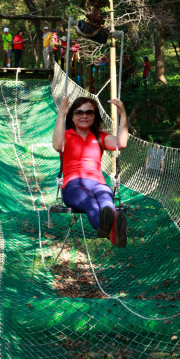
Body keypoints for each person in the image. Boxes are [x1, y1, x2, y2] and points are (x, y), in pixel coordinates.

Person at [52, 95, 129, 247]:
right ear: (72, 117)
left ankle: (111, 234)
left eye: (89, 113)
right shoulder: (66, 135)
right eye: (79, 112)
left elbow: (121, 143)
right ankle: (114, 232)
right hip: (74, 186)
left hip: (98, 184)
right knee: (90, 202)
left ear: (94, 116)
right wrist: (61, 114)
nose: (84, 116)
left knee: (106, 201)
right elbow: (57, 145)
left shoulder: (100, 137)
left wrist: (123, 115)